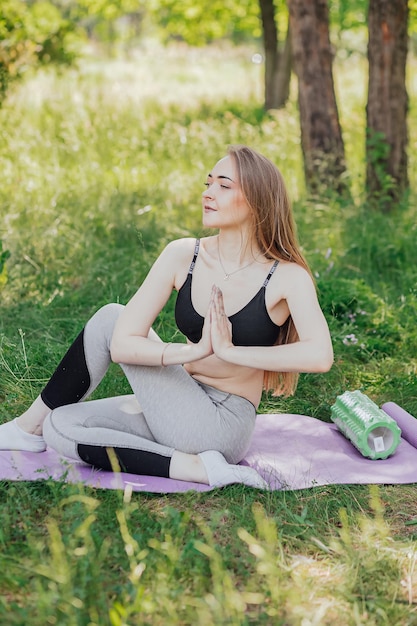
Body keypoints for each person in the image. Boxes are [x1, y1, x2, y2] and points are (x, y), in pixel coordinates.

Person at [0, 145, 333, 489]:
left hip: (221, 424)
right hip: (176, 400)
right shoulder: (183, 255)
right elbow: (121, 344)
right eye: (207, 184)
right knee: (60, 425)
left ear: (257, 200)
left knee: (112, 317)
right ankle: (196, 468)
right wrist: (189, 353)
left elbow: (319, 355)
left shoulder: (285, 276)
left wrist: (230, 352)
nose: (208, 194)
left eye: (223, 185)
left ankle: (28, 428)